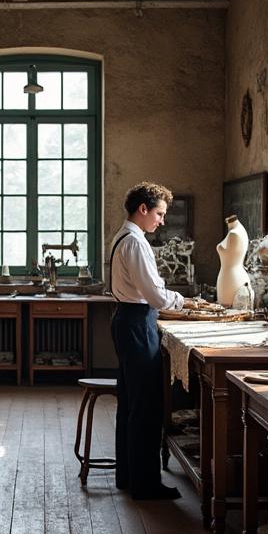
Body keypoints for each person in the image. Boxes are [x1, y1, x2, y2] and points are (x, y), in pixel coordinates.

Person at [108, 182, 187, 499]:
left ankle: (128, 476)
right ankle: (145, 484)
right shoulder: (136, 243)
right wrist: (181, 300)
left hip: (126, 320)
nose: (162, 221)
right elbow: (154, 295)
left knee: (130, 401)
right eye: (160, 213)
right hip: (137, 323)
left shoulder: (123, 236)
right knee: (146, 405)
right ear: (143, 209)